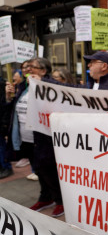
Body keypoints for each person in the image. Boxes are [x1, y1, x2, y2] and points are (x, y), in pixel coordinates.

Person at [5, 57, 64, 217]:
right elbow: (13, 112)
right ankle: (45, 197)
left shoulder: (50, 86)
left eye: (32, 67)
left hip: (44, 139)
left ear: (44, 71)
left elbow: (64, 93)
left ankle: (60, 201)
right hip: (27, 139)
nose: (27, 70)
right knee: (38, 170)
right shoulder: (23, 87)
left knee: (49, 171)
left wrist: (43, 84)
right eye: (26, 67)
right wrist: (9, 97)